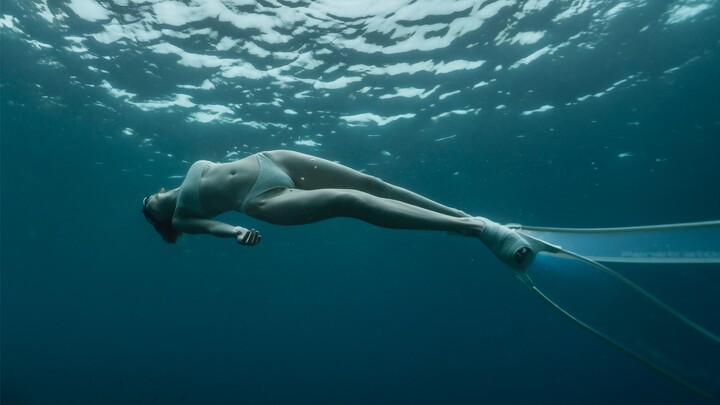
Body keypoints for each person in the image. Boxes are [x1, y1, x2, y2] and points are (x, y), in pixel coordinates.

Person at [141, 150, 532, 267]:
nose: (150, 202)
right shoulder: (181, 219)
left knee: (371, 183)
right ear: (159, 220)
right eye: (148, 210)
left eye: (148, 199)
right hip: (260, 202)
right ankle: (480, 232)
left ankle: (465, 218)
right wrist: (238, 232)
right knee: (351, 201)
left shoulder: (189, 170)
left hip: (268, 160)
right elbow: (214, 229)